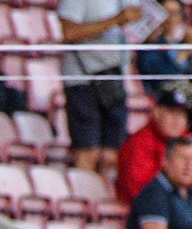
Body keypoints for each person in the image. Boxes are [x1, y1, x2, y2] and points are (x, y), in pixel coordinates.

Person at [58, 0, 142, 173]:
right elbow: (68, 32)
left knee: (112, 153)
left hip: (114, 77)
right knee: (88, 150)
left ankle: (103, 197)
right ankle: (82, 195)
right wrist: (115, 20)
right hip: (84, 79)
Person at [117, 85, 192, 205]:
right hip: (148, 213)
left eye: (181, 115)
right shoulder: (139, 143)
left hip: (181, 207)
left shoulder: (184, 139)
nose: (177, 120)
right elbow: (141, 192)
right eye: (172, 113)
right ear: (157, 112)